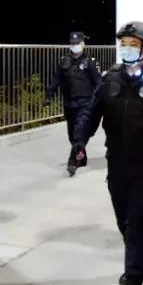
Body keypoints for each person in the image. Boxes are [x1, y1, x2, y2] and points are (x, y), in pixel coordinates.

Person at [72, 22, 143, 285]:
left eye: (133, 44)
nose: (126, 49)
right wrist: (80, 141)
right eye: (123, 44)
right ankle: (136, 259)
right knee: (124, 221)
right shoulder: (110, 78)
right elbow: (92, 112)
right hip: (117, 163)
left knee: (138, 221)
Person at [47, 31, 102, 176]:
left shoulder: (90, 62)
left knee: (79, 132)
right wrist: (49, 95)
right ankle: (81, 157)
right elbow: (56, 79)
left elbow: (98, 83)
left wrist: (98, 101)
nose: (75, 45)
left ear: (83, 44)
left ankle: (72, 163)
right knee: (72, 135)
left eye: (77, 43)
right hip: (69, 104)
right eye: (72, 43)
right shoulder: (64, 61)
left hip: (85, 104)